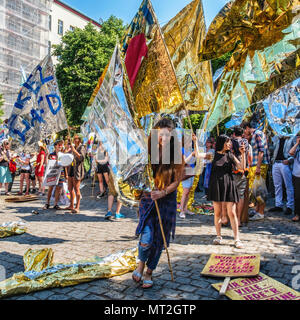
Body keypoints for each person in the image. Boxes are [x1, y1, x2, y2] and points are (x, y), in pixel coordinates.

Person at [132, 118, 184, 288]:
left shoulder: (176, 154)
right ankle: (140, 264)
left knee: (159, 240)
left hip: (166, 200)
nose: (164, 138)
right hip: (148, 198)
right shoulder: (148, 150)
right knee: (146, 238)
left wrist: (162, 192)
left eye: (168, 135)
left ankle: (149, 272)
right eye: (161, 134)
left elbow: (177, 181)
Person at [207, 134, 246, 249]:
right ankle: (218, 236)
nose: (229, 144)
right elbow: (199, 155)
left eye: (230, 142)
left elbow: (241, 167)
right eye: (227, 142)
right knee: (217, 212)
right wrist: (195, 142)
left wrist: (243, 154)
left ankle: (237, 239)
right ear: (222, 143)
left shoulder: (230, 155)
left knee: (232, 212)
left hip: (229, 184)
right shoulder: (213, 154)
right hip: (216, 185)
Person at [242, 122, 270, 220]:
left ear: (247, 128)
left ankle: (261, 212)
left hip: (260, 165)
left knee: (259, 189)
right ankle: (257, 210)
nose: (244, 134)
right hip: (256, 164)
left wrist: (258, 167)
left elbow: (261, 151)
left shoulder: (257, 134)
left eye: (244, 131)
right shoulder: (256, 134)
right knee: (255, 189)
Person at [268, 135, 295, 215]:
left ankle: (289, 206)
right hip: (276, 163)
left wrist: (289, 160)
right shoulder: (276, 137)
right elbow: (272, 149)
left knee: (288, 185)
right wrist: (268, 144)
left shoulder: (292, 137)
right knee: (277, 185)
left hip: (285, 163)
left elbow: (295, 151)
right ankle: (278, 204)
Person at [231, 126, 250, 227]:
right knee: (241, 195)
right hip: (243, 170)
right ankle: (238, 219)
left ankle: (231, 219)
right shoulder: (245, 142)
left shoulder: (231, 142)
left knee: (232, 196)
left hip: (233, 170)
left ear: (234, 134)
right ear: (242, 133)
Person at [65, 134, 86, 213]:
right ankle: (71, 205)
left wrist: (75, 151)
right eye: (74, 138)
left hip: (77, 170)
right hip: (71, 168)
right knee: (70, 189)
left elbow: (82, 158)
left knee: (77, 189)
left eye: (76, 138)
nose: (75, 139)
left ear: (80, 139)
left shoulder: (82, 147)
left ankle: (77, 207)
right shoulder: (73, 147)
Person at [43, 140, 65, 210]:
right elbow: (47, 164)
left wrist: (66, 175)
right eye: (59, 145)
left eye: (61, 145)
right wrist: (46, 155)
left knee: (58, 189)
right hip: (52, 173)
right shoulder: (51, 154)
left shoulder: (63, 155)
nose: (60, 146)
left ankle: (56, 204)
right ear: (55, 146)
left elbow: (65, 166)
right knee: (50, 188)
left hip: (61, 173)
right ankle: (47, 203)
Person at [289, 133, 300, 221]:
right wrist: (296, 143)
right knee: (297, 195)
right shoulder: (297, 148)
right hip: (297, 174)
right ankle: (297, 214)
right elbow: (290, 152)